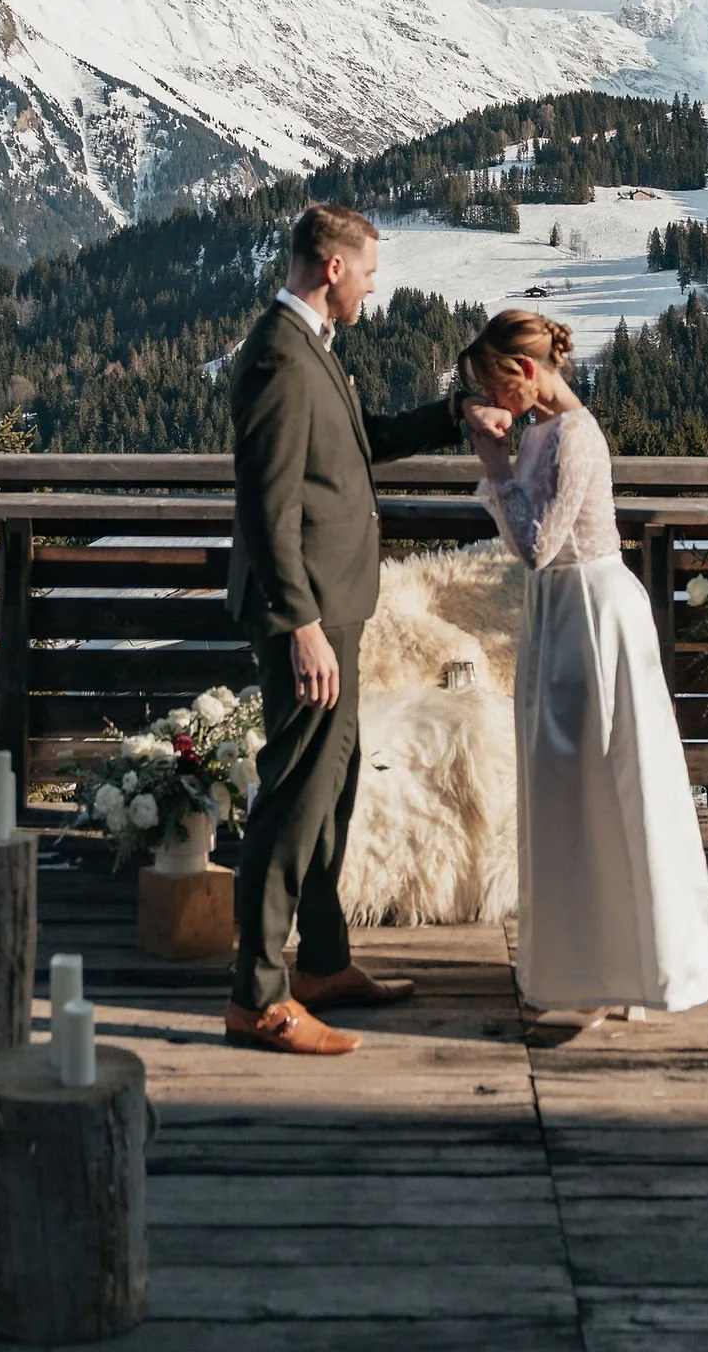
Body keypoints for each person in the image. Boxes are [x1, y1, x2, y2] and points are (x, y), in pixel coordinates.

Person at [225, 201, 513, 1054]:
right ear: (334, 268)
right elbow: (269, 507)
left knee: (334, 787)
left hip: (335, 608)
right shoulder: (280, 357)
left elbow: (363, 443)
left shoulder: (312, 347)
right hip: (308, 616)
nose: (374, 289)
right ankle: (257, 996)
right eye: (370, 273)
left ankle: (322, 963)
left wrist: (455, 414)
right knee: (293, 796)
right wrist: (301, 625)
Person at [459, 305, 708, 1029]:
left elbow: (536, 544)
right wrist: (501, 456)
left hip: (590, 615)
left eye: (497, 385)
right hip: (560, 612)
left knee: (603, 783)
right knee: (569, 789)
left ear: (526, 370)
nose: (493, 401)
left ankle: (621, 966)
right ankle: (590, 965)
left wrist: (493, 463)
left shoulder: (574, 435)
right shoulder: (540, 432)